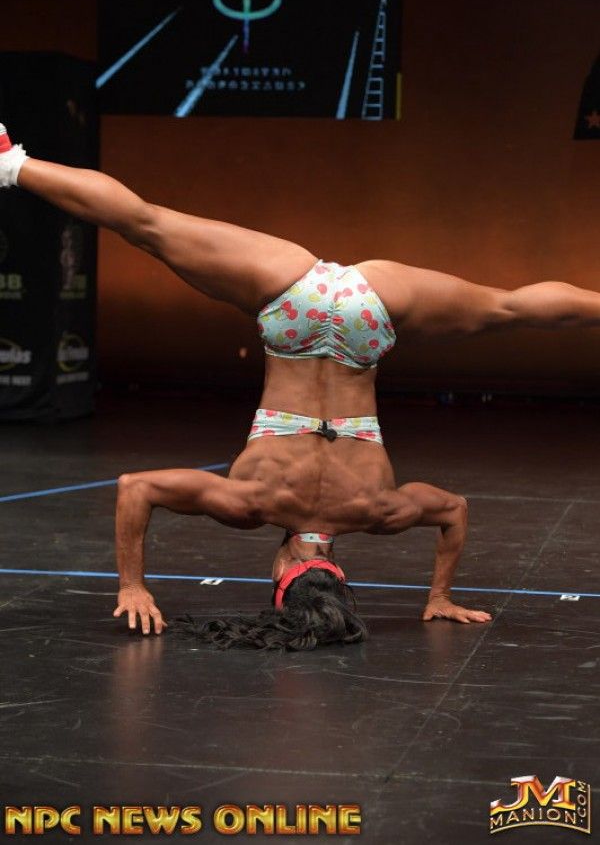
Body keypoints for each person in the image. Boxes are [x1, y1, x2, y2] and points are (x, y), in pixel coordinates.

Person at [2, 124, 599, 649]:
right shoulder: (252, 505)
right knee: (146, 225)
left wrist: (439, 595)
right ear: (285, 567)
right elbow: (136, 487)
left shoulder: (377, 512)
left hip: (368, 312)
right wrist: (132, 585)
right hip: (290, 306)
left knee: (506, 306)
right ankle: (11, 165)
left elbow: (454, 511)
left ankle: (11, 161)